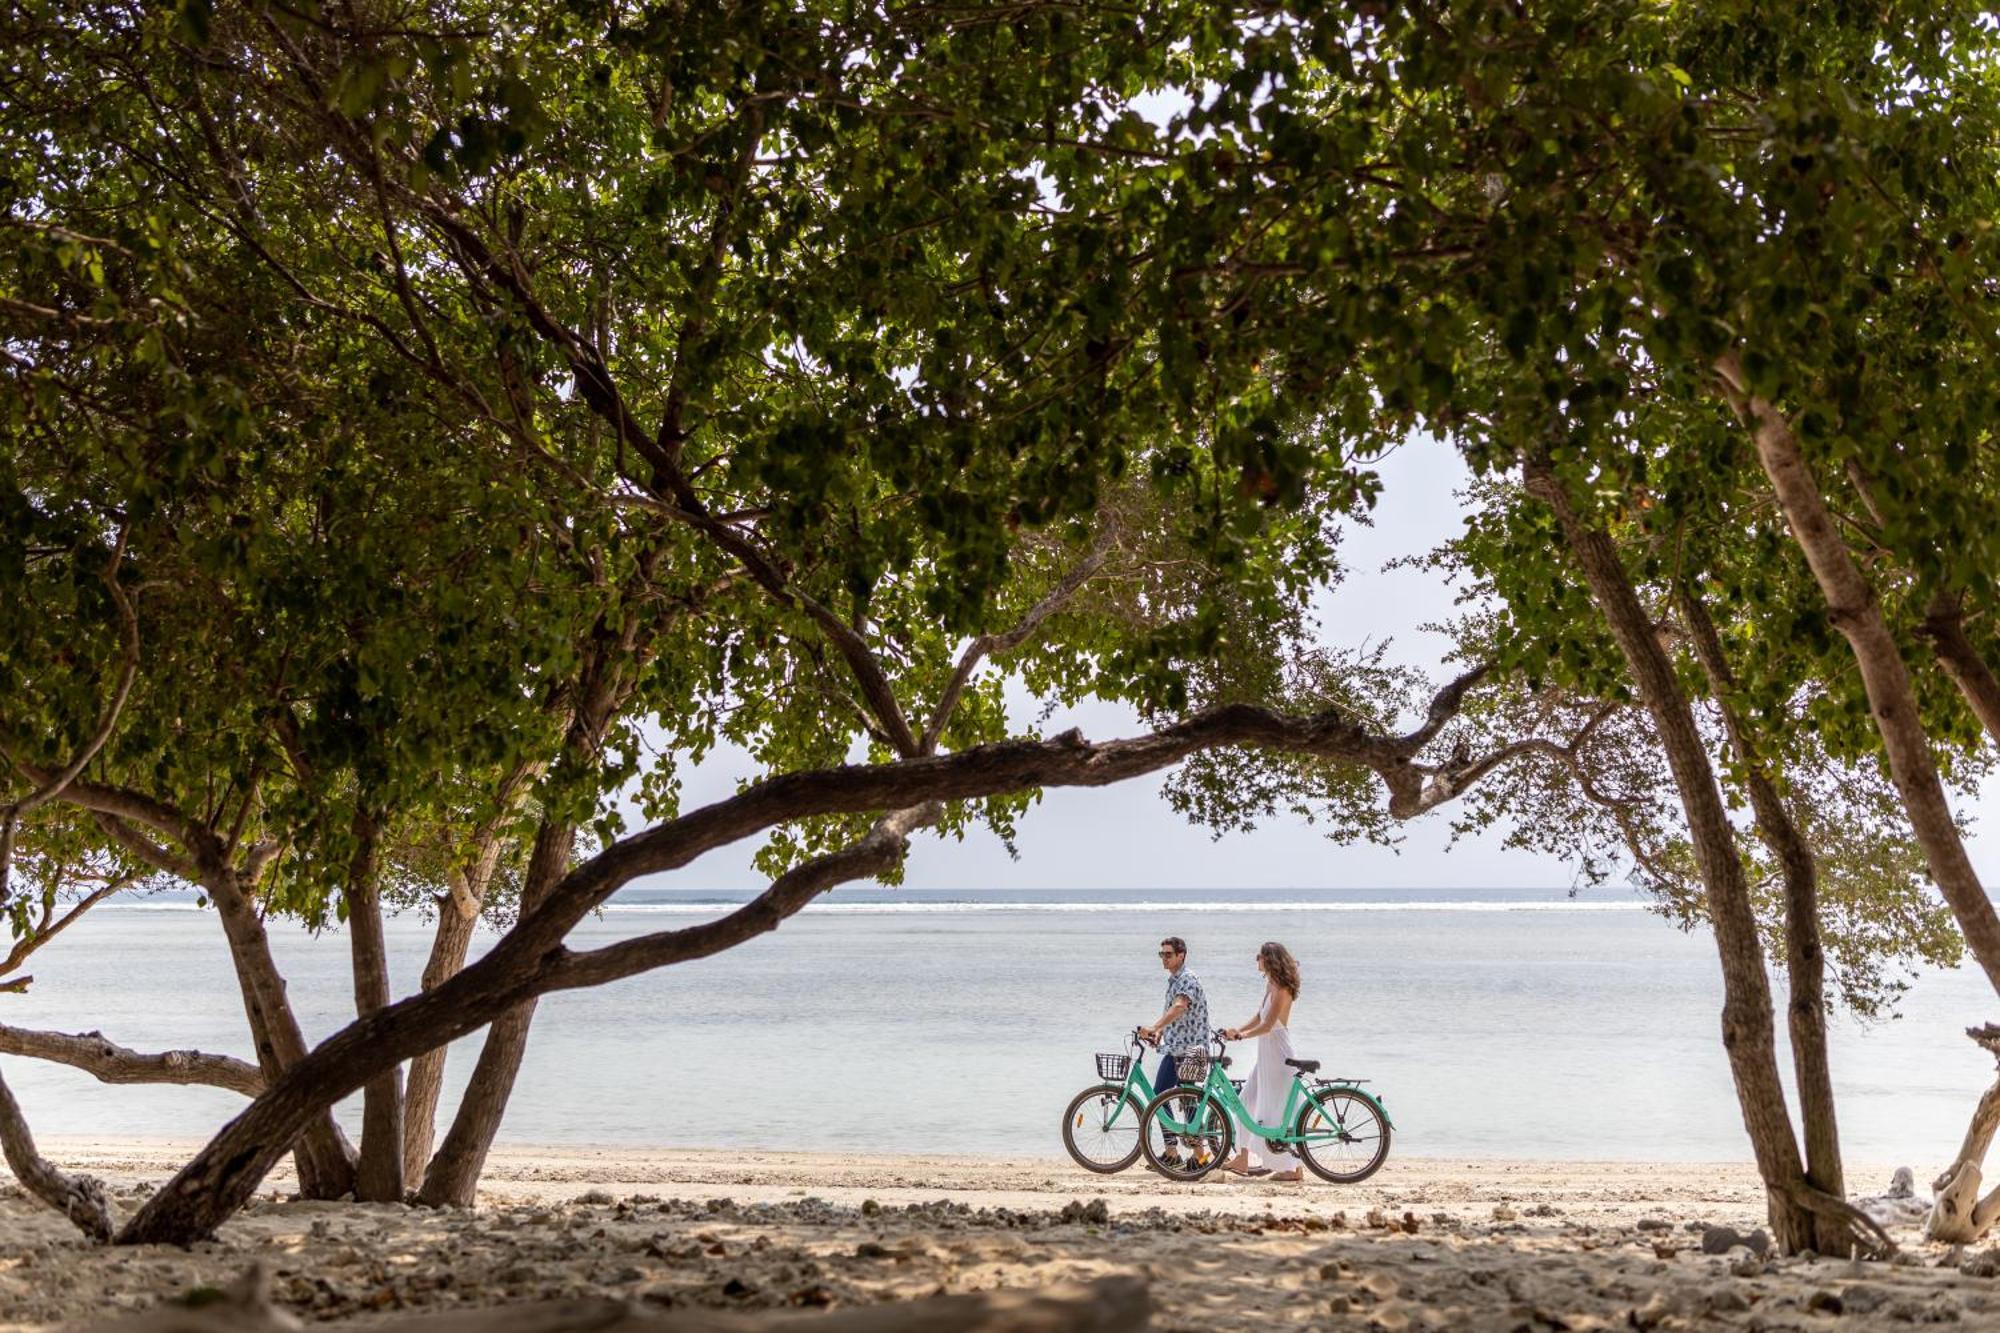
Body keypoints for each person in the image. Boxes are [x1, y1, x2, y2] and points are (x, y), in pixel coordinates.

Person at [1220, 941, 1304, 1181]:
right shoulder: (1271, 984)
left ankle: (1292, 1168)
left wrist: (1242, 1036)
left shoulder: (1283, 988)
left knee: (1278, 1110)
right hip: (1266, 1052)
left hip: (1278, 1051)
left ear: (1269, 959)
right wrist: (1237, 1030)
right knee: (1245, 1101)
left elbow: (1268, 1025)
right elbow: (1259, 1016)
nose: (1256, 960)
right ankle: (1243, 1157)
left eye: (1259, 956)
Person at [1138, 936, 1209, 1165]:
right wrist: (1160, 1033)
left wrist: (1155, 1026)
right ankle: (1171, 1152)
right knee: (1160, 1095)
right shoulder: (1174, 981)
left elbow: (1180, 1006)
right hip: (1175, 1047)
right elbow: (1176, 1013)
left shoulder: (1187, 979)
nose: (1164, 959)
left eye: (1168, 954)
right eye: (1162, 954)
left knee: (1187, 1100)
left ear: (1182, 955)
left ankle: (1199, 1156)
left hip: (1189, 1050)